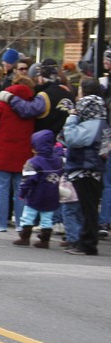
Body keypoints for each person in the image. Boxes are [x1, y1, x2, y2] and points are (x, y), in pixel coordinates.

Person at [0, 73, 36, 232]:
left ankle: (0, 223)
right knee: (21, 190)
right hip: (24, 153)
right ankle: (21, 223)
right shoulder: (32, 105)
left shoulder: (2, 104)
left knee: (2, 190)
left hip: (2, 151)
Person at [60, 78, 107, 255]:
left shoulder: (91, 123)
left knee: (87, 208)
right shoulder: (101, 118)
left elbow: (71, 138)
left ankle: (87, 244)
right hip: (94, 167)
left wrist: (72, 117)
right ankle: (85, 240)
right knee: (88, 206)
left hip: (85, 167)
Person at [13, 130, 62, 248]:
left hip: (35, 194)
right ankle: (45, 240)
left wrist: (22, 192)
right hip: (52, 194)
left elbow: (27, 180)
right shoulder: (58, 161)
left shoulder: (33, 162)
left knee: (28, 215)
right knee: (47, 218)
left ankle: (25, 237)